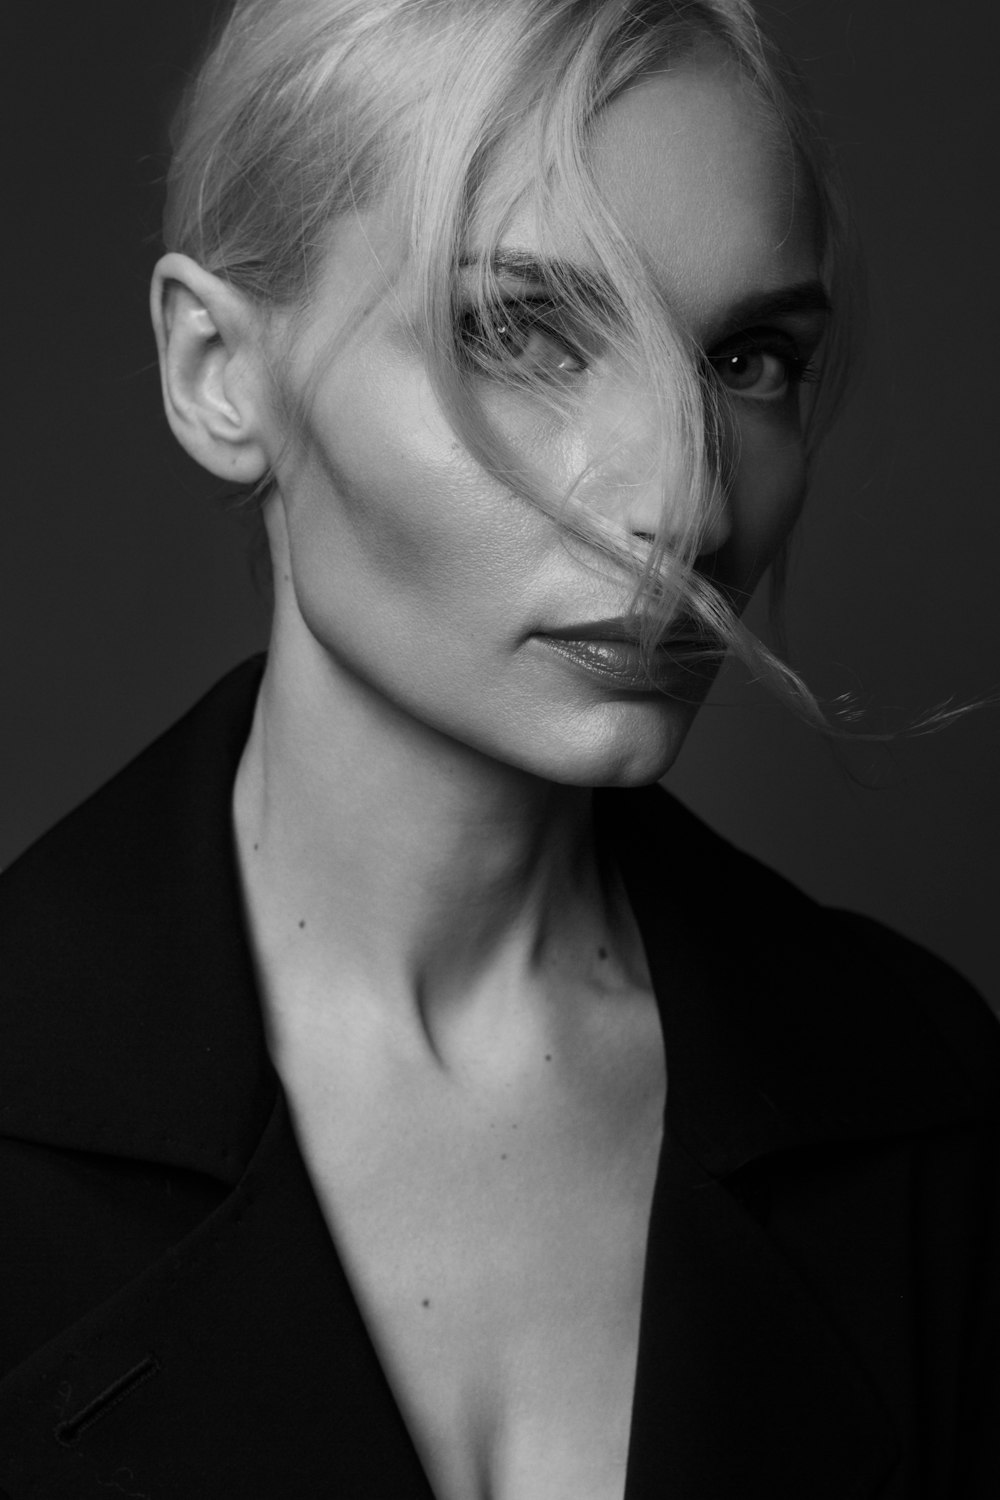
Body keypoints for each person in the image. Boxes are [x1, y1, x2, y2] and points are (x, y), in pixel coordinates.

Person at [0, 0, 997, 1495]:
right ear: (219, 371)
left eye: (749, 359)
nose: (683, 508)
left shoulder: (922, 1094)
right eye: (521, 330)